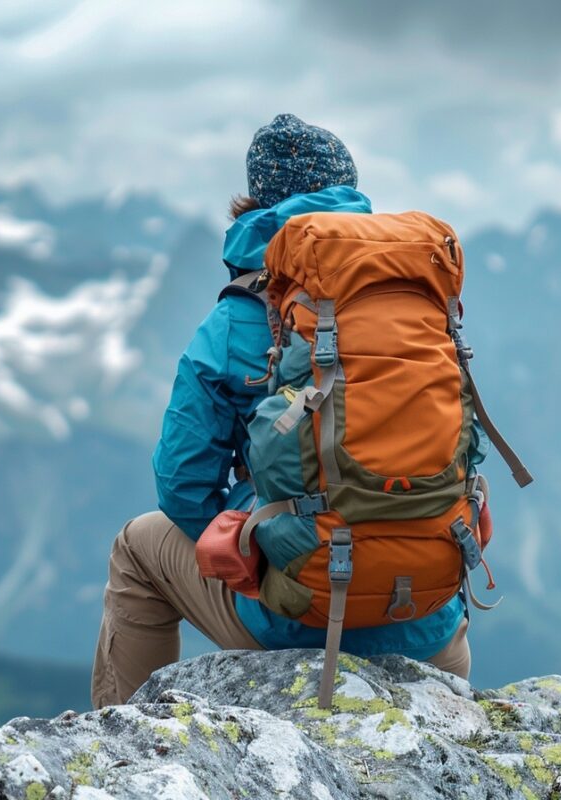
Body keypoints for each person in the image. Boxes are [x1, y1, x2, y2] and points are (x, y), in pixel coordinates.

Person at [91, 113, 477, 709]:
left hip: (297, 613)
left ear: (252, 206)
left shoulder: (234, 322)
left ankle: (122, 746)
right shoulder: (416, 306)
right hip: (425, 617)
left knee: (137, 547)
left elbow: (183, 487)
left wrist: (261, 554)